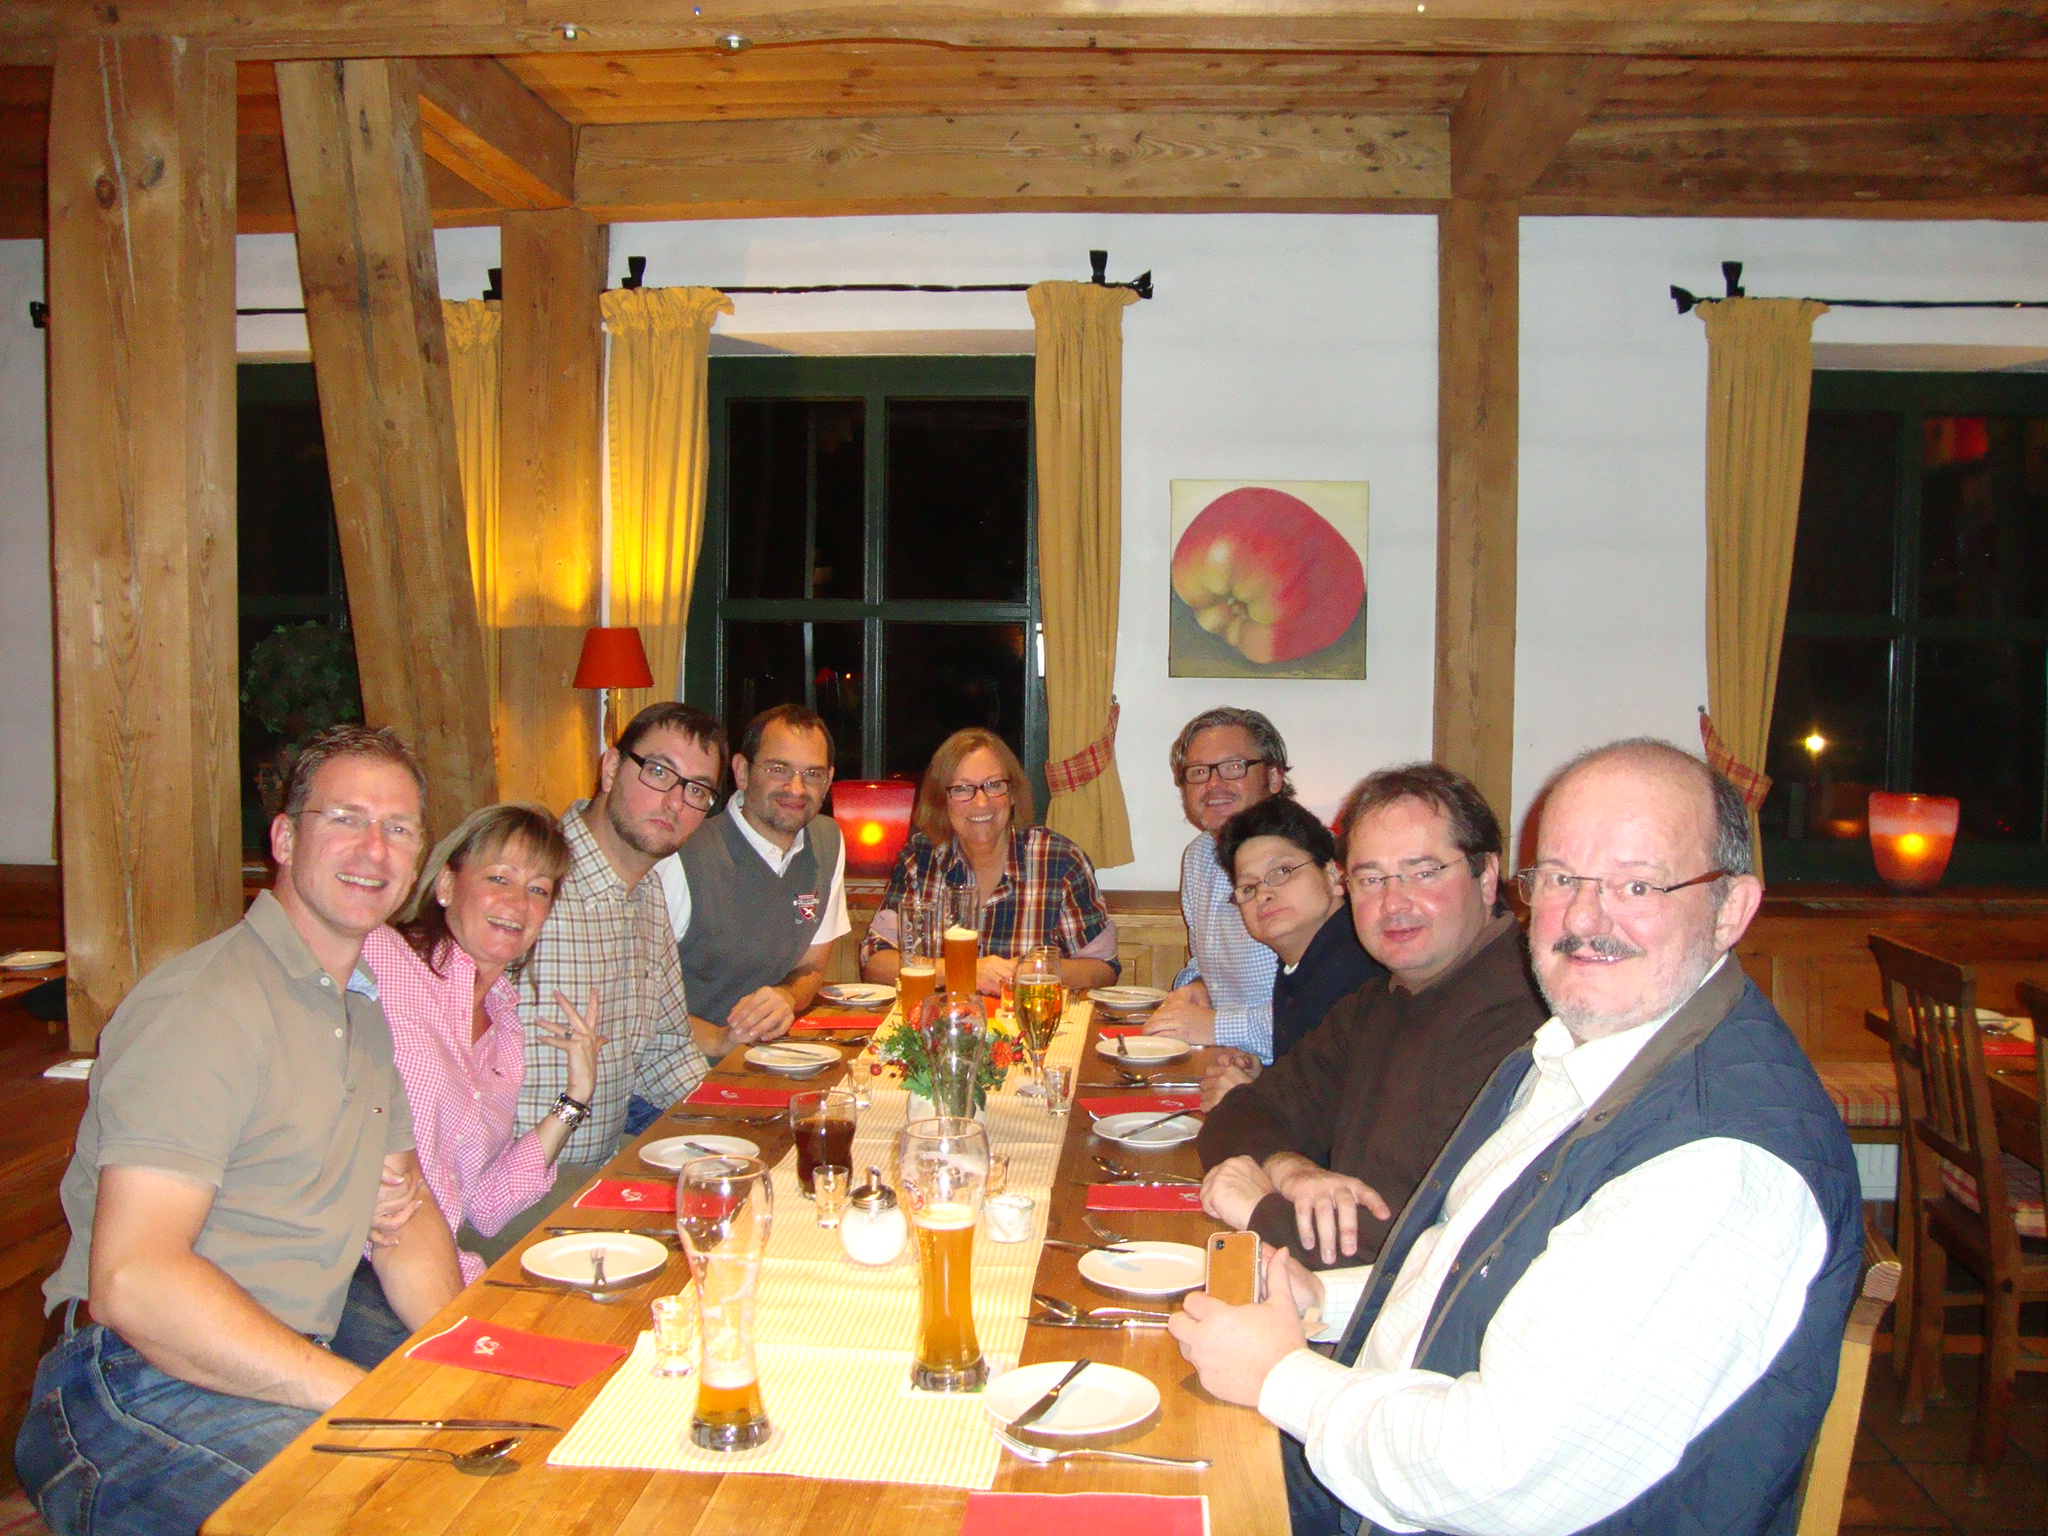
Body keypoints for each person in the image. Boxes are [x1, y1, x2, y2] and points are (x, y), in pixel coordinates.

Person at [1170, 740, 1865, 1536]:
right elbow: (1471, 1264)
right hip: (1381, 1447)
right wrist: (1325, 1301)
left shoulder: (1715, 1165)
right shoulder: (1580, 1052)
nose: (1586, 919)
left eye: (1637, 885)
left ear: (1732, 908)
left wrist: (1281, 1378)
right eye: (1563, 878)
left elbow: (1493, 1479)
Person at [16, 726, 463, 1536]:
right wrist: (365, 1397)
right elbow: (136, 1282)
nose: (375, 848)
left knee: (508, 1465)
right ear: (285, 840)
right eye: (346, 818)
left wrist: (463, 1359)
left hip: (282, 1355)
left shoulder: (359, 1011)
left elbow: (409, 1216)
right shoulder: (205, 1005)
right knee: (390, 1513)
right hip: (131, 1381)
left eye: (399, 828)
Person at [1195, 764, 1542, 1268]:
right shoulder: (1380, 1000)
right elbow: (1239, 1114)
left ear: (1486, 876)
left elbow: (1420, 1247)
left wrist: (1258, 1209)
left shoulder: (1520, 1018)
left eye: (1423, 872)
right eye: (1371, 878)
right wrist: (1290, 1170)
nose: (1392, 903)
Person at [331, 804, 600, 1366]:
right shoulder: (380, 956)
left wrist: (575, 1097)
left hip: (433, 1267)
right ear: (447, 885)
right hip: (346, 1261)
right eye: (499, 878)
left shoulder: (504, 1030)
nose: (518, 903)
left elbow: (486, 1205)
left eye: (539, 889)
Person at [509, 702, 736, 1240]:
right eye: (658, 772)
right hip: (517, 1191)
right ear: (611, 768)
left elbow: (666, 1052)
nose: (674, 802)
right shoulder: (527, 882)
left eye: (697, 790)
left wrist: (732, 1130)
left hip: (600, 1173)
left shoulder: (648, 892)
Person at [859, 728, 1118, 994]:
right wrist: (961, 971)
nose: (981, 802)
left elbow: (1103, 968)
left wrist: (1034, 971)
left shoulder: (1061, 860)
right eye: (962, 789)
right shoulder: (920, 858)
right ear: (941, 800)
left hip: (1026, 1018)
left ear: (1013, 794)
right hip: (941, 1018)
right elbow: (875, 961)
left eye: (994, 785)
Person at [658, 703, 848, 1045]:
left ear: (828, 781)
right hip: (688, 1065)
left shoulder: (827, 841)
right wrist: (721, 1040)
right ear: (742, 772)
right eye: (778, 769)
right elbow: (635, 1001)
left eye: (812, 774)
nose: (796, 788)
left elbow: (811, 967)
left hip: (773, 1057)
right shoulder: (680, 855)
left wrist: (787, 996)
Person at [1146, 707, 1292, 1058]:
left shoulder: (1302, 866)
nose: (1213, 785)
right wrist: (1197, 987)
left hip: (1294, 1071)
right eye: (1198, 772)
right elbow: (1205, 963)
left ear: (1273, 777)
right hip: (1227, 1060)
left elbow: (1319, 1013)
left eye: (1233, 767)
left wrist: (1213, 1025)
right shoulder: (1199, 857)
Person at [1212, 795, 1385, 1082]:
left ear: (1333, 875)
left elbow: (1356, 1101)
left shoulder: (1356, 968)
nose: (1263, 894)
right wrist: (1263, 1079)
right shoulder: (1301, 963)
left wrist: (1249, 1097)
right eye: (1248, 887)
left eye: (1282, 871)